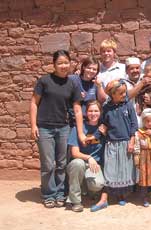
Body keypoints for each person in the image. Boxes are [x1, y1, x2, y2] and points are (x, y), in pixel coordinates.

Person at [30, 50, 84, 208]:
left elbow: (77, 109)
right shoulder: (44, 81)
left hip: (63, 128)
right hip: (44, 128)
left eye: (66, 62)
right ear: (54, 64)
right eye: (60, 63)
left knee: (62, 163)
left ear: (70, 64)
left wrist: (80, 132)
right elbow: (34, 103)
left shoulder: (72, 84)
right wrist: (33, 125)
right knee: (48, 164)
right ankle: (48, 194)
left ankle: (60, 193)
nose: (63, 66)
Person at [101, 79, 138, 205]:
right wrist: (103, 129)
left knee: (124, 169)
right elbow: (104, 123)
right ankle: (111, 194)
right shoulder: (106, 108)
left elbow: (134, 124)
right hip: (111, 143)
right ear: (112, 94)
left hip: (126, 142)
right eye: (121, 93)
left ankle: (122, 195)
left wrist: (132, 141)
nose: (124, 95)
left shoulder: (128, 105)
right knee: (112, 169)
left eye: (125, 92)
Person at [67, 100, 107, 212]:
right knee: (77, 163)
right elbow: (74, 153)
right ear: (86, 113)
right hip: (81, 163)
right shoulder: (78, 128)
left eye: (96, 110)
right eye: (90, 111)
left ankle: (88, 191)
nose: (93, 113)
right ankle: (75, 201)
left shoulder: (103, 129)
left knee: (97, 184)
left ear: (100, 112)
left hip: (95, 166)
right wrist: (89, 158)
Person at [68, 56, 106, 126]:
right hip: (73, 120)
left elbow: (102, 100)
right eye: (89, 68)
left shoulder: (97, 82)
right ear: (83, 67)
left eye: (94, 69)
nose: (91, 71)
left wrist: (99, 86)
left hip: (91, 121)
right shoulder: (72, 79)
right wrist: (76, 95)